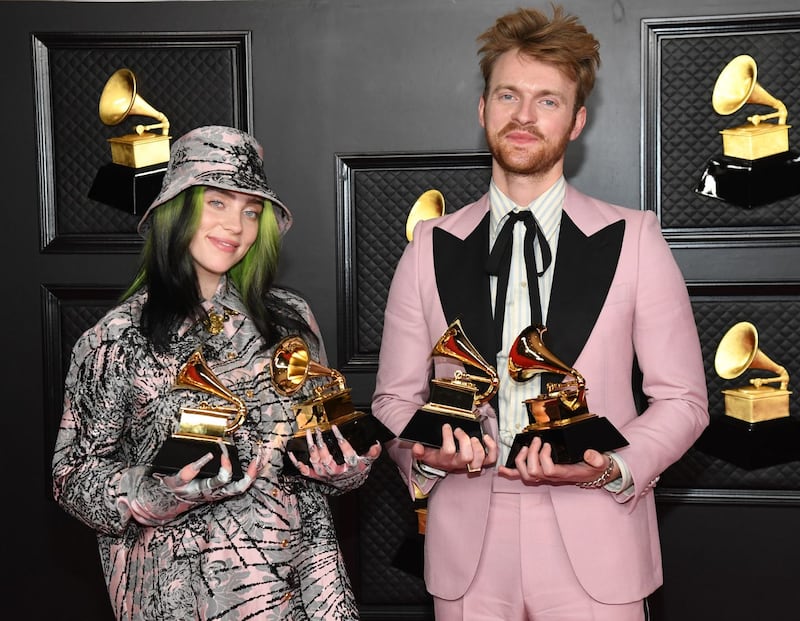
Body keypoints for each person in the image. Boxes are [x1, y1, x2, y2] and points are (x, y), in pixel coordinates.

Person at [371, 6, 708, 621]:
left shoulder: (635, 239)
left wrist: (615, 465)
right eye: (509, 95)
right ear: (483, 109)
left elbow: (684, 399)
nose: (524, 116)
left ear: (577, 121)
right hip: (467, 545)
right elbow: (393, 399)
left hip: (598, 533)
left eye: (548, 101)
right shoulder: (427, 248)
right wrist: (422, 455)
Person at [52, 125, 380, 620]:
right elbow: (72, 475)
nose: (237, 226)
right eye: (218, 203)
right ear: (176, 210)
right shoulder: (117, 337)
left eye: (251, 211)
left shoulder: (291, 318)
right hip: (183, 597)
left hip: (308, 589)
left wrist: (344, 470)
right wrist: (151, 493)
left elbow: (323, 435)